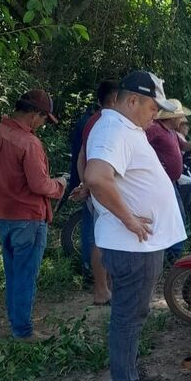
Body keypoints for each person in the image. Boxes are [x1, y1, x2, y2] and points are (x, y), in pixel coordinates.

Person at [84, 70, 186, 381]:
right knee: (128, 317)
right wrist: (128, 217)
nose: (156, 113)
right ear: (132, 100)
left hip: (138, 245)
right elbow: (97, 176)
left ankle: (128, 373)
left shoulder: (125, 128)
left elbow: (101, 174)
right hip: (131, 246)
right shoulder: (114, 128)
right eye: (152, 107)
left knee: (132, 314)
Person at [0, 89, 67, 341]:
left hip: (4, 213)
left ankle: (15, 322)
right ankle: (22, 331)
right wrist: (62, 184)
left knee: (13, 272)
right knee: (25, 275)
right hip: (28, 217)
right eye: (44, 119)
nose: (42, 125)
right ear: (35, 114)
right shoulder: (29, 142)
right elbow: (40, 185)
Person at [69, 81, 119, 305]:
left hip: (95, 187)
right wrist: (89, 186)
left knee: (102, 237)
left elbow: (82, 156)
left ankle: (105, 287)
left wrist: (85, 183)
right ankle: (101, 290)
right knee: (102, 239)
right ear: (116, 99)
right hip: (103, 190)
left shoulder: (92, 121)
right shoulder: (107, 123)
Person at [146, 101, 189, 264]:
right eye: (180, 116)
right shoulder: (155, 130)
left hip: (170, 181)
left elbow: (183, 146)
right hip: (160, 182)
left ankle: (171, 254)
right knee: (174, 216)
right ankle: (172, 255)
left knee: (175, 216)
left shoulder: (171, 132)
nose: (182, 119)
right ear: (173, 116)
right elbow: (141, 145)